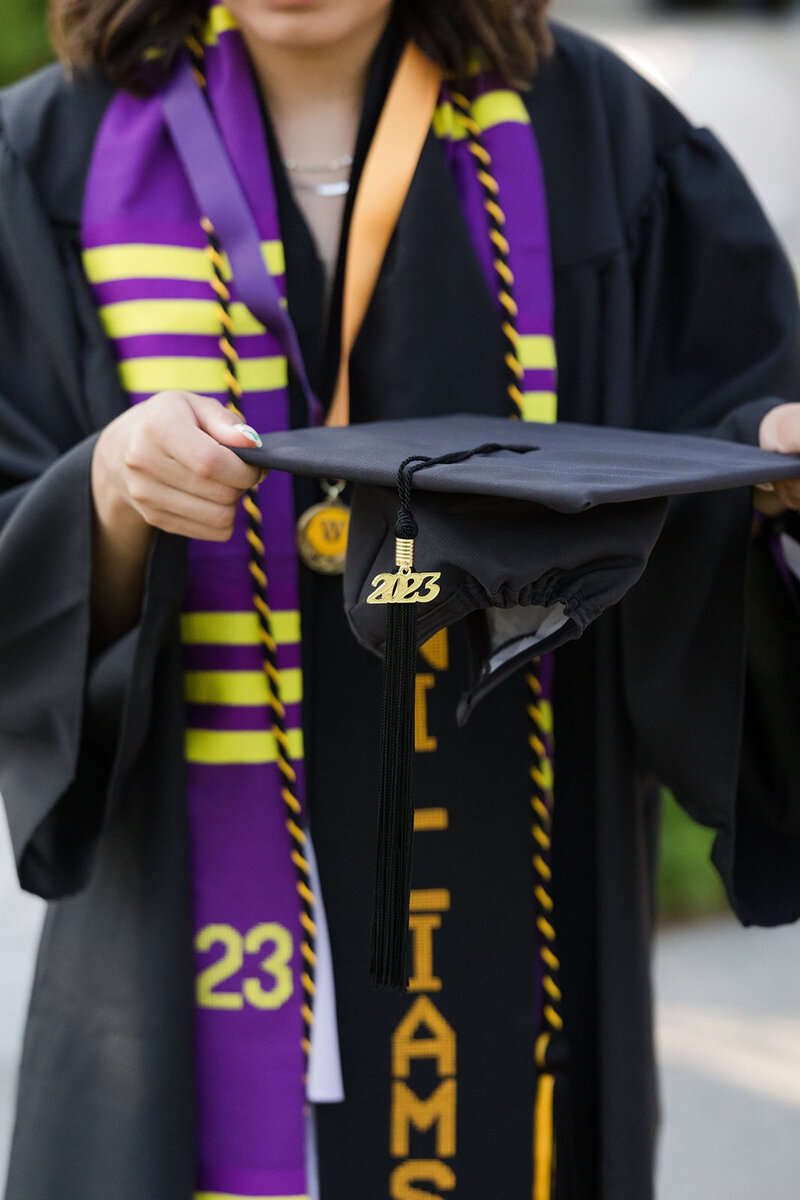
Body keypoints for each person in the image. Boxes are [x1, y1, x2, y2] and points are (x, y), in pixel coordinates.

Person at [1, 1, 800, 1198]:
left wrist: (766, 471)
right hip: (175, 926)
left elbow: (714, 434)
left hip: (513, 874)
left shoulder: (595, 130)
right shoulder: (44, 156)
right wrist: (109, 495)